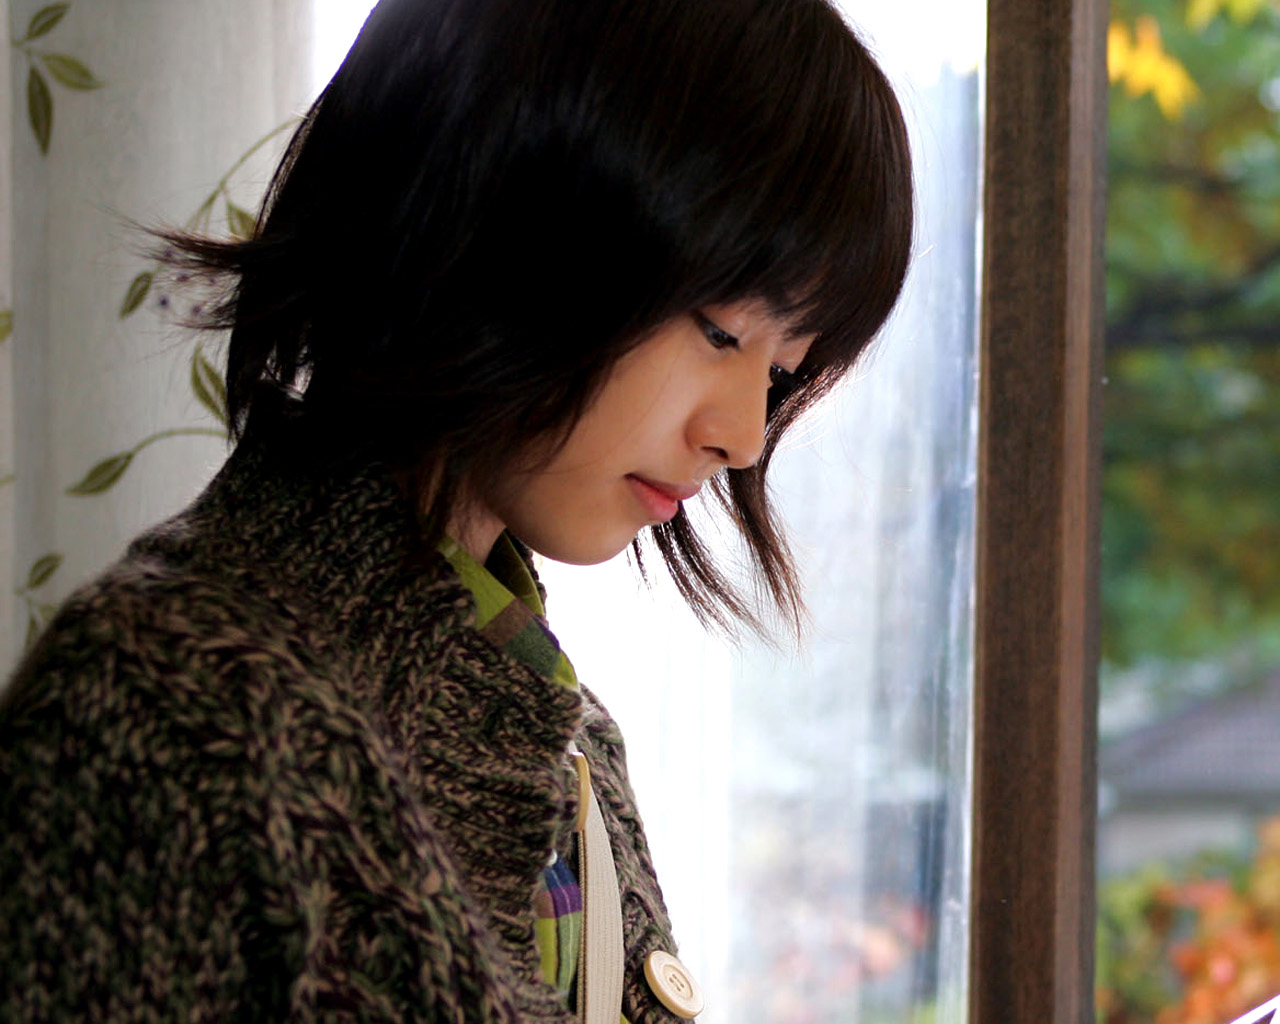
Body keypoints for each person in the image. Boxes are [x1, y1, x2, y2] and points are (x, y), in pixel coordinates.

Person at [0, 0, 913, 1020]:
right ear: (505, 217)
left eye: (783, 370)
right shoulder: (163, 714)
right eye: (719, 330)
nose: (743, 435)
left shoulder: (564, 737)